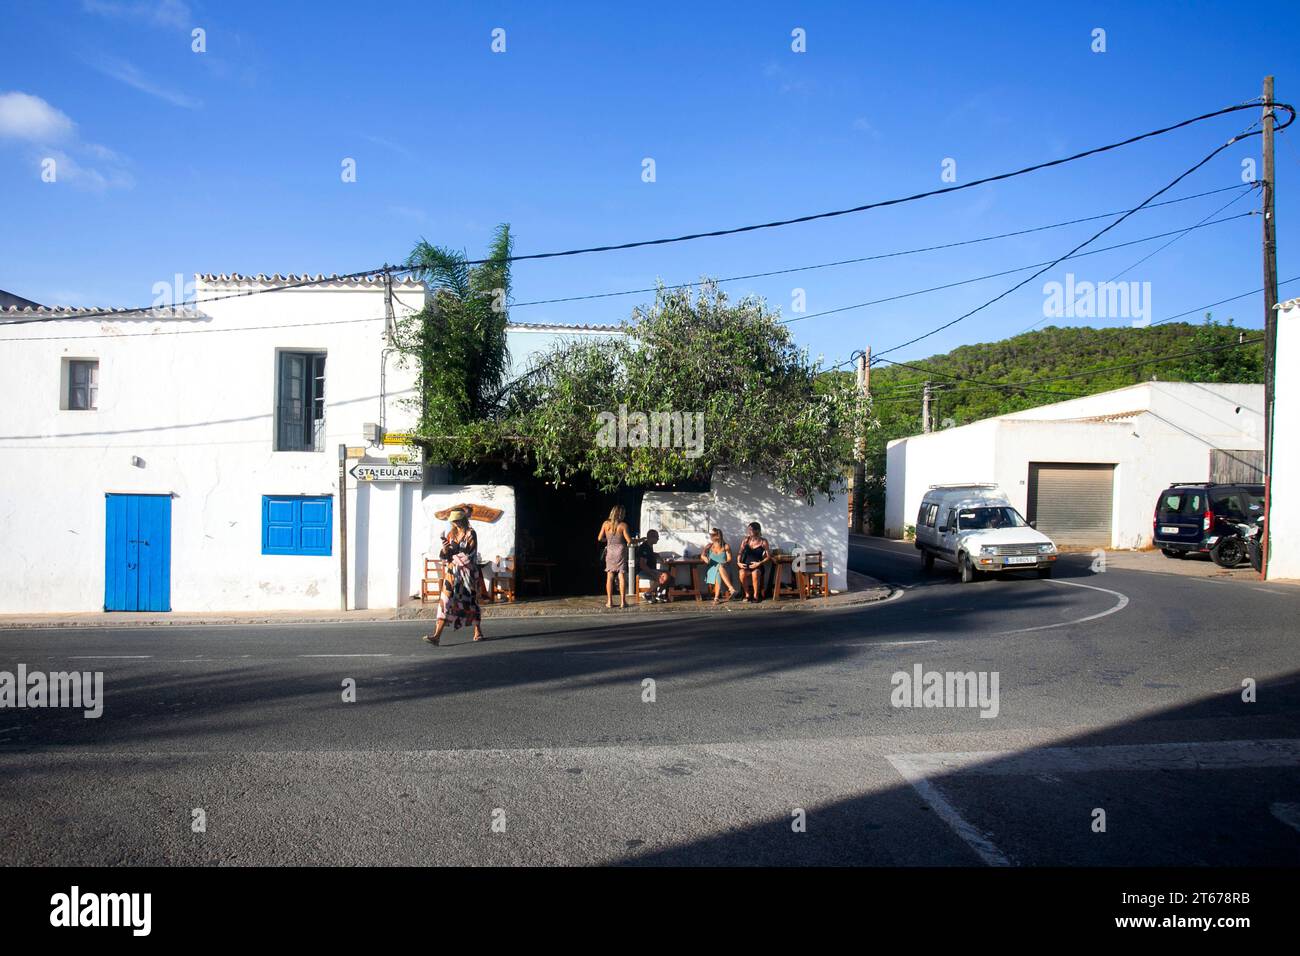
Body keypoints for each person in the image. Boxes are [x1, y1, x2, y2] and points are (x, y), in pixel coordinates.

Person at [423, 507, 485, 645]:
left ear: (462, 519)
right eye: (453, 520)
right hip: (452, 572)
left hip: (467, 573)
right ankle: (437, 636)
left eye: (457, 520)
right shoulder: (451, 534)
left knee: (470, 602)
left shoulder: (471, 533)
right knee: (445, 601)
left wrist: (453, 552)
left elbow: (470, 554)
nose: (455, 523)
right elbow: (446, 555)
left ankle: (478, 630)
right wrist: (445, 549)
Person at [598, 505, 634, 609]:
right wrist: (637, 540)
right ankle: (623, 602)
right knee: (621, 576)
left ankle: (609, 602)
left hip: (610, 550)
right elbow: (629, 541)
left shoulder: (605, 524)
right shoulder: (623, 525)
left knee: (609, 576)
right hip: (620, 551)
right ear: (621, 514)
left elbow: (600, 538)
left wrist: (608, 540)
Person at [700, 527, 739, 604]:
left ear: (718, 536)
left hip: (724, 568)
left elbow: (729, 559)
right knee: (718, 568)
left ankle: (716, 598)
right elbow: (702, 555)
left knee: (719, 568)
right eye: (711, 535)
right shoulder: (709, 546)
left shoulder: (726, 546)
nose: (711, 536)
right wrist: (705, 558)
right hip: (711, 569)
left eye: (713, 535)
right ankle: (731, 589)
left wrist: (724, 563)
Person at [737, 521, 772, 603]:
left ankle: (756, 595)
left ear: (757, 530)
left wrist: (759, 563)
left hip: (758, 566)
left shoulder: (763, 541)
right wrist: (738, 562)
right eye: (748, 530)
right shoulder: (745, 540)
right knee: (741, 573)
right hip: (746, 565)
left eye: (751, 530)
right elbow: (740, 553)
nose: (749, 531)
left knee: (755, 573)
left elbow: (768, 556)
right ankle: (747, 594)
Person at [636, 529, 671, 603]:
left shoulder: (649, 546)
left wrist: (659, 557)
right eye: (657, 537)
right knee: (663, 576)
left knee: (668, 573)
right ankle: (647, 594)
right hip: (643, 571)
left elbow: (651, 555)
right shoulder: (644, 547)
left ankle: (659, 594)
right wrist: (653, 574)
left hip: (650, 569)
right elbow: (642, 565)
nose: (658, 539)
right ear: (651, 537)